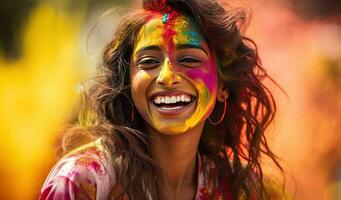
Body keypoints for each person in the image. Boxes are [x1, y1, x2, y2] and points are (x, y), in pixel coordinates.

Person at [39, 0, 284, 199]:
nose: (167, 77)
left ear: (223, 86)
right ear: (128, 82)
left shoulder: (245, 190)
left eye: (189, 59)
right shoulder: (81, 182)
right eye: (149, 62)